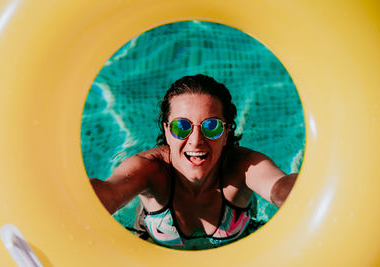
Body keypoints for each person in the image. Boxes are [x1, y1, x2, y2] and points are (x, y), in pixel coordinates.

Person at [90, 74, 298, 250]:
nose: (196, 141)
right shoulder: (150, 169)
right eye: (182, 126)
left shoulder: (243, 167)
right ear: (167, 131)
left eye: (211, 126)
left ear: (226, 133)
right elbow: (107, 194)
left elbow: (280, 188)